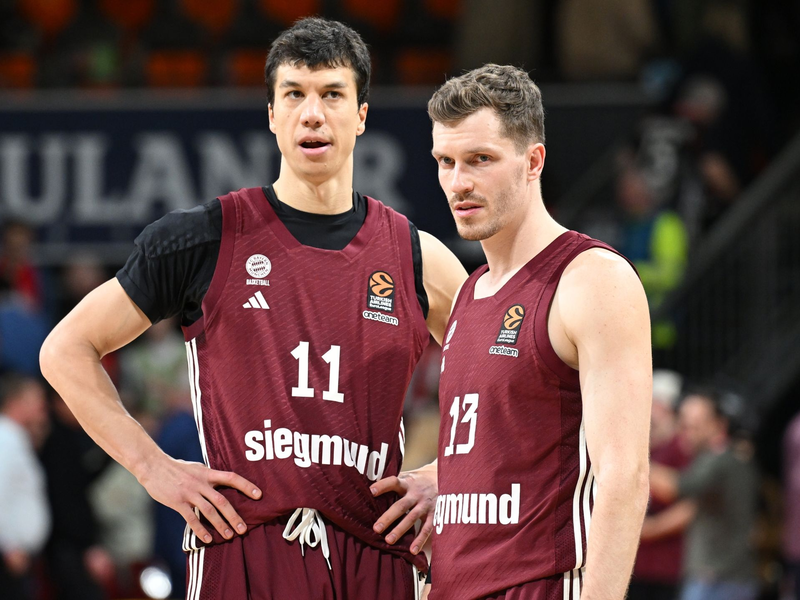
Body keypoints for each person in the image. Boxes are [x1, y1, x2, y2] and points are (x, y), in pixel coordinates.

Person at [39, 17, 466, 600]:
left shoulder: (420, 259)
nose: (312, 114)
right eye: (294, 94)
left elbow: (506, 382)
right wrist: (152, 467)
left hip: (375, 554)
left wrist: (446, 475)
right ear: (271, 114)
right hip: (243, 548)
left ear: (362, 116)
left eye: (332, 95)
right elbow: (65, 350)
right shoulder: (204, 239)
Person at [374, 64, 652, 600]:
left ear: (533, 161)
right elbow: (506, 440)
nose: (459, 182)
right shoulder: (469, 294)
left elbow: (624, 477)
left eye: (481, 160)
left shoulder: (592, 279)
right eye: (446, 162)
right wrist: (443, 476)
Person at [650, 390, 759, 600]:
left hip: (718, 579)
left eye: (695, 426)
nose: (686, 433)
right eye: (683, 424)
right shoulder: (725, 457)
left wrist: (633, 463)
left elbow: (675, 488)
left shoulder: (720, 459)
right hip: (719, 577)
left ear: (719, 425)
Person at [630, 370, 692, 600]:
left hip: (667, 567)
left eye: (658, 405)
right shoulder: (642, 445)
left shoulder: (681, 448)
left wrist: (650, 529)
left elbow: (680, 493)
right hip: (633, 564)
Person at [0, 374, 51, 600]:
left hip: (19, 557)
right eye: (36, 399)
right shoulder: (5, 439)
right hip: (9, 556)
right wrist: (8, 545)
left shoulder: (17, 437)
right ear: (16, 402)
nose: (43, 405)